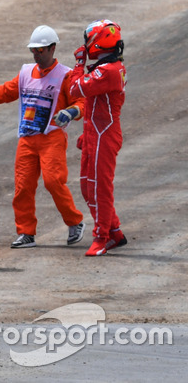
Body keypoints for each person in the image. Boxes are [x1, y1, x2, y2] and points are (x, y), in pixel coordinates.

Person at [0, 25, 86, 249]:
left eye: (41, 50)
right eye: (33, 50)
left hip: (52, 138)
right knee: (23, 187)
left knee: (53, 181)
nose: (36, 54)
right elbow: (4, 92)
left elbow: (81, 102)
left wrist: (71, 112)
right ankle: (26, 232)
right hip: (27, 139)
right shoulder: (26, 72)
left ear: (52, 48)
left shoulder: (65, 75)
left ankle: (75, 222)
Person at [68, 20, 127, 256]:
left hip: (105, 135)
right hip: (96, 132)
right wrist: (88, 134)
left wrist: (78, 64)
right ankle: (114, 231)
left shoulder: (108, 71)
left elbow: (74, 89)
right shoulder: (107, 67)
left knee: (100, 189)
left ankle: (101, 237)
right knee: (86, 186)